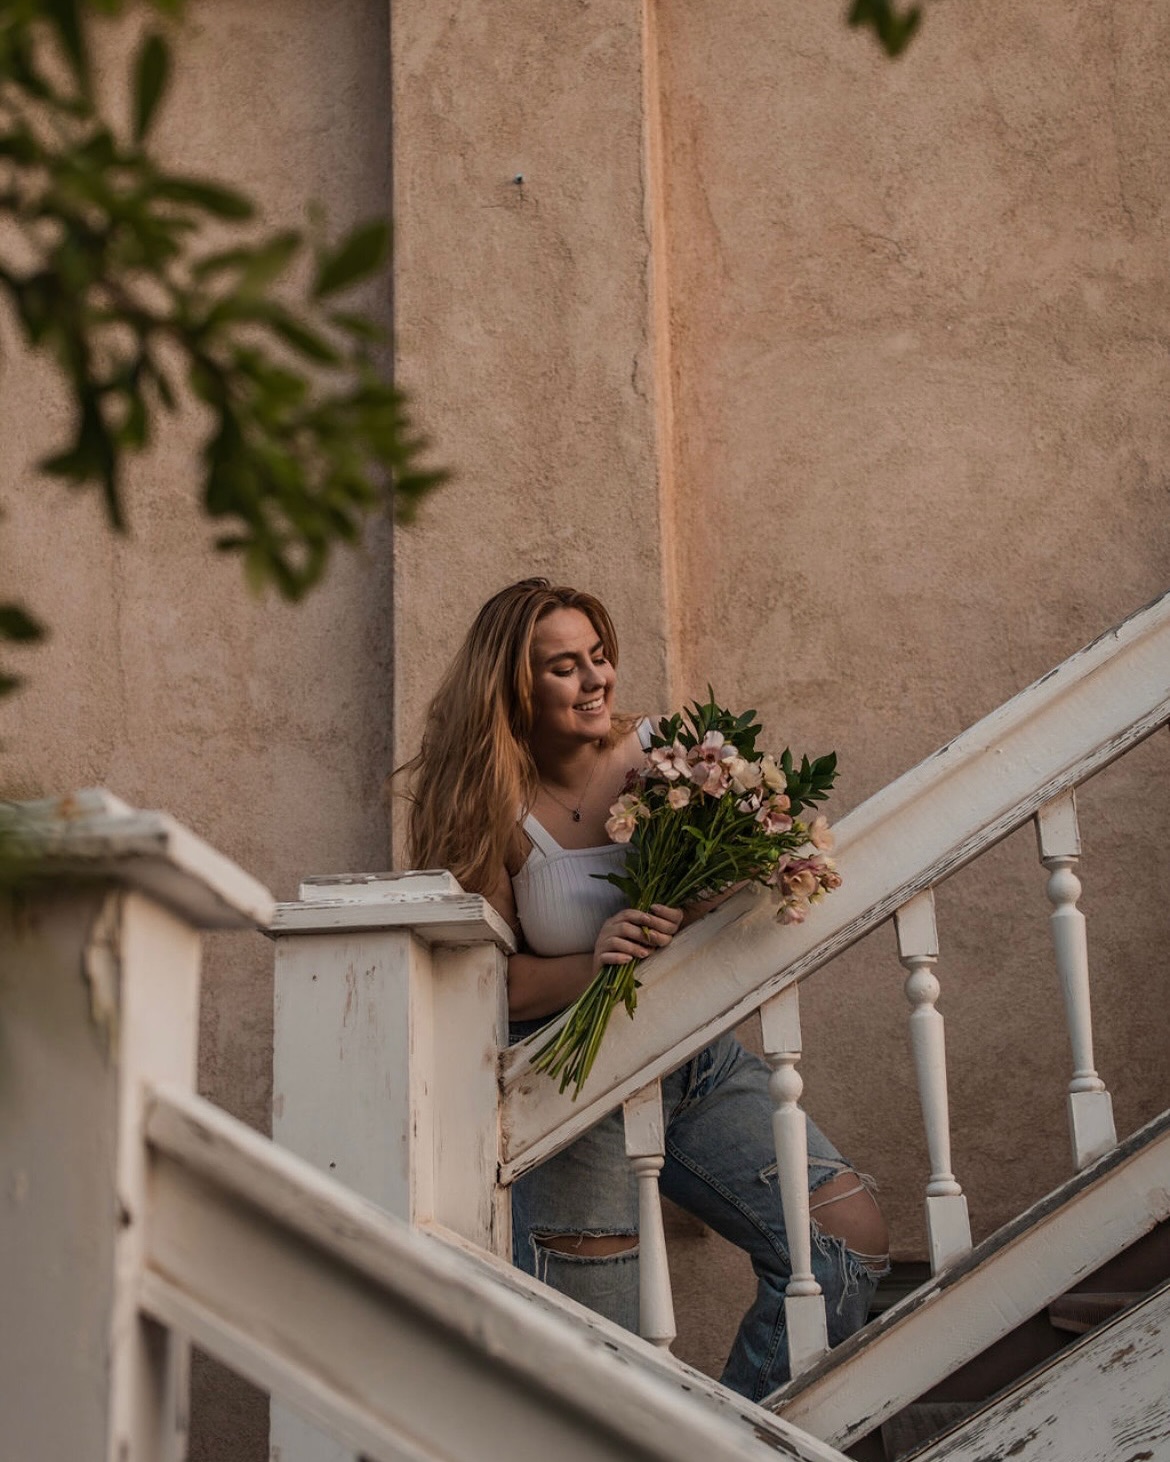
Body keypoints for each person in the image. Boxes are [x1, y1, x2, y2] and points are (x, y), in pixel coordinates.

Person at [403, 577, 889, 1402]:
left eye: (599, 656)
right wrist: (593, 961)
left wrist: (717, 887)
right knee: (602, 1347)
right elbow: (482, 985)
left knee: (846, 1236)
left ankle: (733, 1439)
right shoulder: (488, 804)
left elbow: (740, 884)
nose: (597, 679)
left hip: (690, 1056)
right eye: (565, 666)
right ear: (515, 687)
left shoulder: (676, 755)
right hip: (574, 1083)